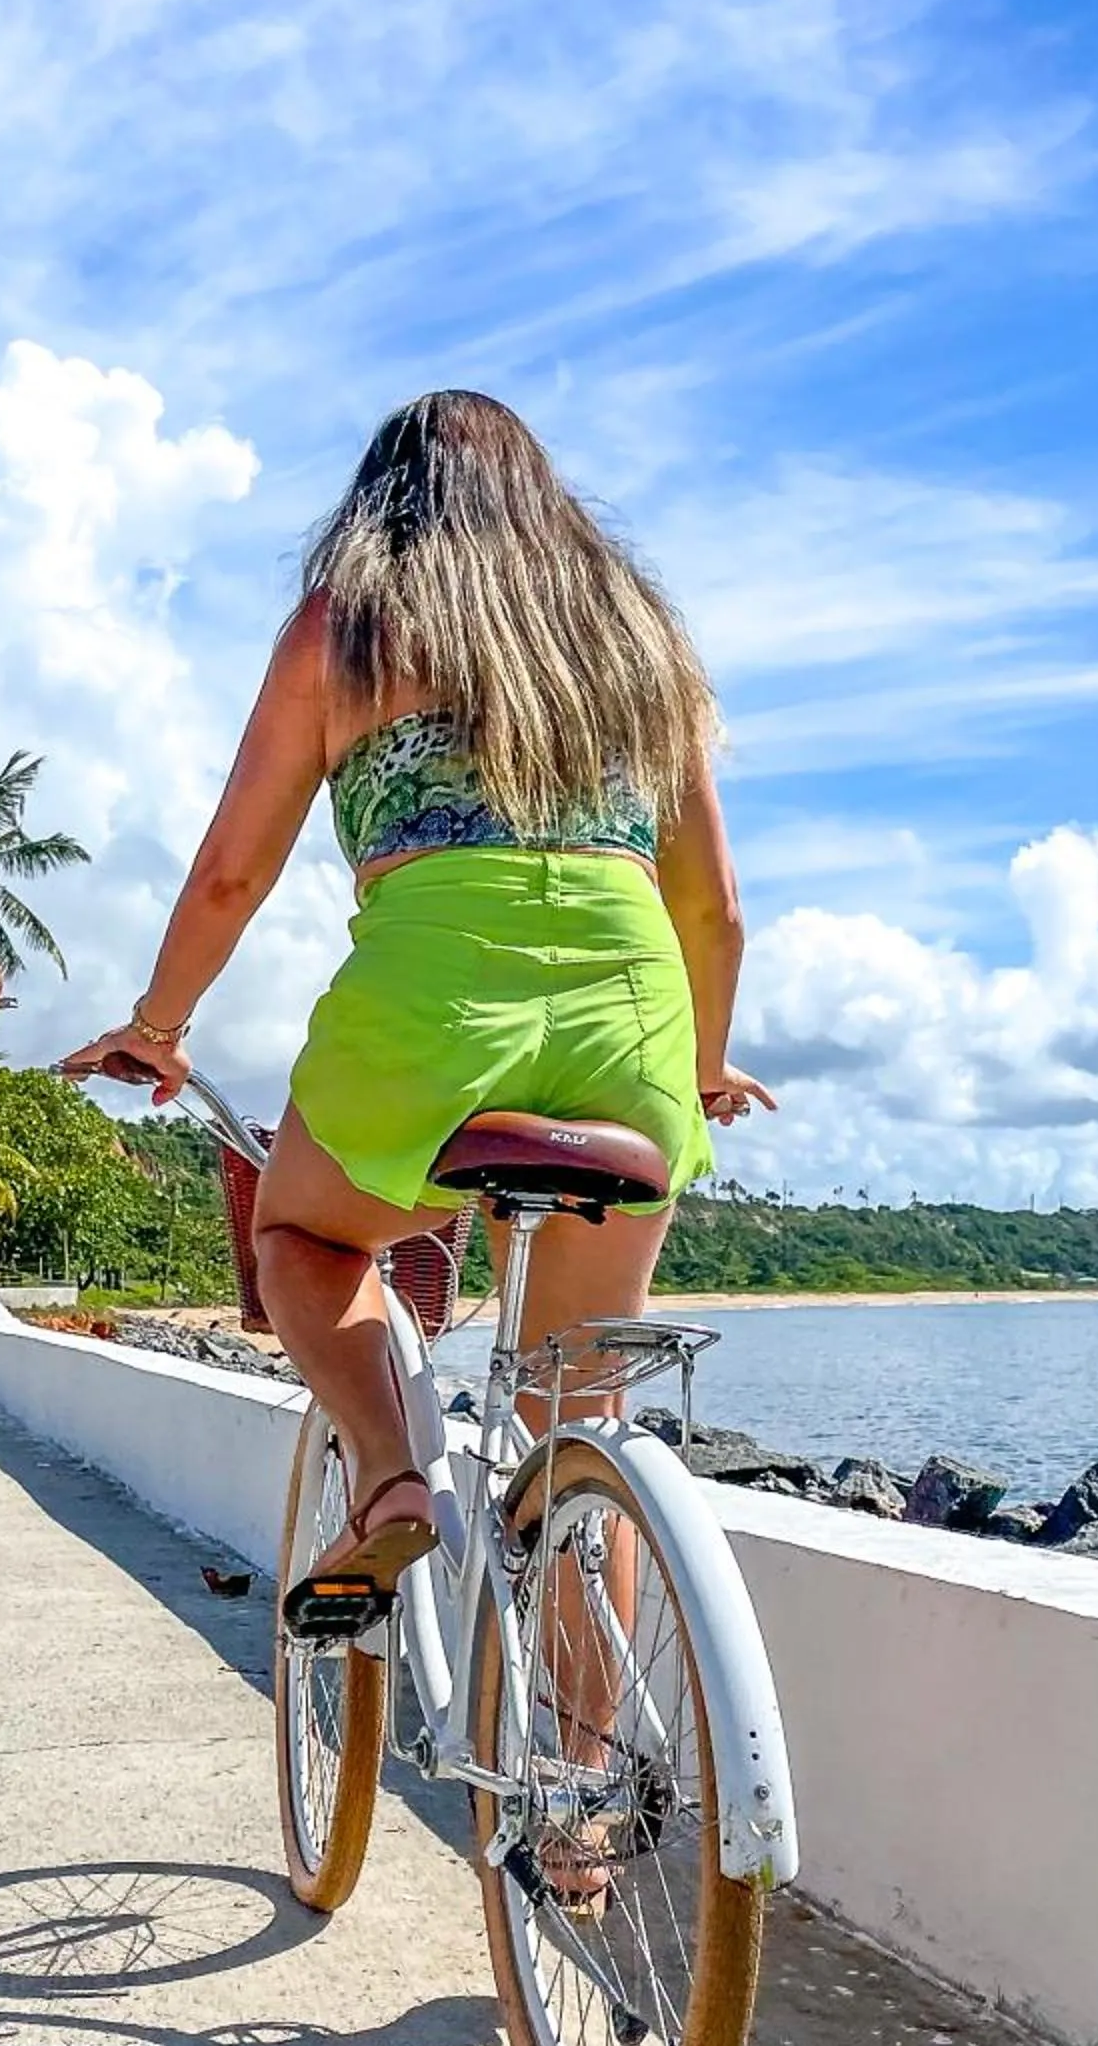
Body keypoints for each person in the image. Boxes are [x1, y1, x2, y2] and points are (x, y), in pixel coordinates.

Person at [63, 388, 772, 1626]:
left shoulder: (350, 626)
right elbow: (713, 909)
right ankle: (585, 1806)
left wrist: (160, 1026)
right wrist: (705, 1066)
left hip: (436, 1006)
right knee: (576, 1416)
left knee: (303, 1239)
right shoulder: (637, 640)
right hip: (632, 1022)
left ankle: (394, 1477)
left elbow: (235, 871)